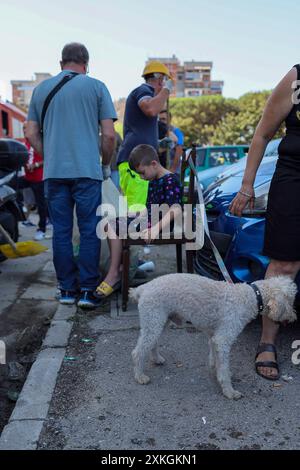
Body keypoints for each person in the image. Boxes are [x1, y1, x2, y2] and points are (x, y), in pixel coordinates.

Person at [25, 42, 117, 308]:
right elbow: (109, 135)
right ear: (86, 63)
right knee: (90, 230)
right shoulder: (97, 87)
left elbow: (31, 133)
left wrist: (49, 155)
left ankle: (67, 290)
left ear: (61, 63)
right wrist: (105, 164)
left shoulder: (41, 90)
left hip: (54, 174)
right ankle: (88, 291)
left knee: (62, 231)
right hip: (87, 172)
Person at [229, 64, 300, 380]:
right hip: (294, 180)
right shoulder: (297, 77)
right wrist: (247, 186)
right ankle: (267, 340)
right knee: (284, 266)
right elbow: (262, 133)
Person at [94, 144, 182, 299]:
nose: (141, 177)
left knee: (112, 226)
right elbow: (149, 208)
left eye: (142, 173)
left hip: (164, 225)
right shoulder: (154, 178)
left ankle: (115, 273)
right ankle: (119, 269)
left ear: (154, 164)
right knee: (111, 223)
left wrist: (155, 228)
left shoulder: (170, 180)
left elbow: (175, 209)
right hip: (151, 220)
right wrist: (134, 213)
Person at [117, 61, 173, 212]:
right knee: (137, 213)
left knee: (140, 213)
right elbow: (150, 109)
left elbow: (141, 130)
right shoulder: (144, 89)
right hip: (137, 163)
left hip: (138, 162)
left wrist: (159, 144)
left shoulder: (146, 93)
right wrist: (166, 90)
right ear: (160, 79)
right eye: (164, 81)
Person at [19, 121, 48, 240]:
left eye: (26, 128)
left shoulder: (40, 141)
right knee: (12, 190)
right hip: (27, 177)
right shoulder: (25, 142)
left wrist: (35, 165)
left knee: (41, 204)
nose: (24, 130)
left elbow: (48, 158)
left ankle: (42, 229)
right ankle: (16, 223)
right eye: (23, 128)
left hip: (38, 178)